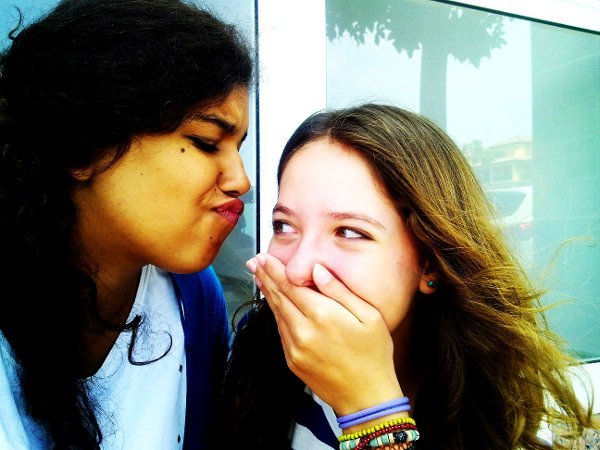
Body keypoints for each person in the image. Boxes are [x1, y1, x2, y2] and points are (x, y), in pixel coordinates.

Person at [223, 104, 599, 449]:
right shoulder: (257, 361)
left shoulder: (504, 413)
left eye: (350, 232)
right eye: (284, 226)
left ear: (429, 263)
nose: (297, 269)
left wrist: (372, 411)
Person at [0, 0, 253, 448]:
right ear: (79, 147)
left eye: (239, 147)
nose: (241, 180)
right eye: (206, 141)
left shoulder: (194, 299)